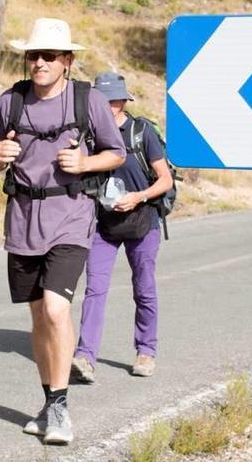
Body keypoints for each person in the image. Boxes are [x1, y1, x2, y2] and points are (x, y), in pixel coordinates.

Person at [0, 18, 126, 445]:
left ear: (68, 60)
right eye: (33, 55)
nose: (39, 62)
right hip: (23, 221)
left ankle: (61, 406)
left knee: (56, 310)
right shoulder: (11, 101)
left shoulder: (89, 100)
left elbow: (115, 153)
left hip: (71, 219)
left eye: (49, 56)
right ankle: (48, 401)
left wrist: (85, 164)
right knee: (37, 317)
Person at [71, 72, 173, 383]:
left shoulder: (141, 132)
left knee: (143, 288)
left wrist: (138, 197)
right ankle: (85, 357)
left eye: (105, 101)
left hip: (142, 222)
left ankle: (146, 351)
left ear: (119, 103)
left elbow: (165, 179)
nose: (99, 107)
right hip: (103, 224)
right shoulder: (90, 135)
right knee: (94, 290)